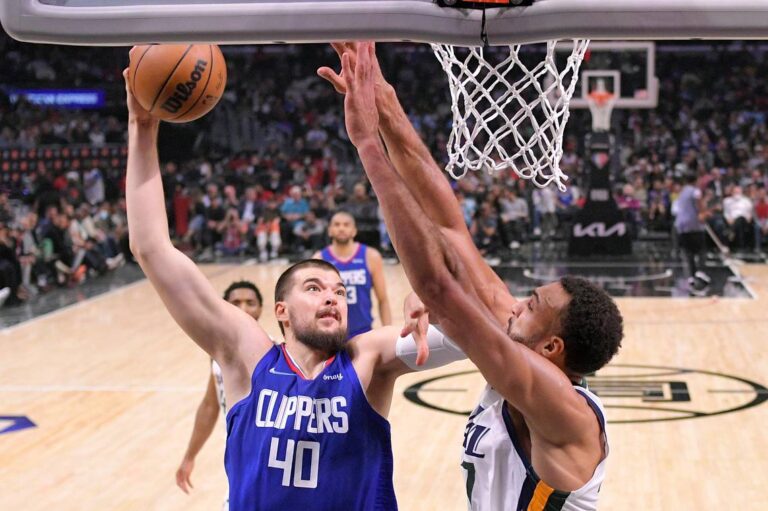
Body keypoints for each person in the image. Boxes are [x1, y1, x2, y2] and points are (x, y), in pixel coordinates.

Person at [123, 56, 463, 511]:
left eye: (339, 291)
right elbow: (151, 248)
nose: (333, 297)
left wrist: (438, 299)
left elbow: (481, 337)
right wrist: (142, 127)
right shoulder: (248, 358)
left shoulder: (367, 359)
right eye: (315, 288)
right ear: (280, 311)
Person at [322, 41, 623, 511]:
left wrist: (366, 145)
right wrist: (381, 98)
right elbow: (448, 226)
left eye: (531, 305)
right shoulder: (527, 345)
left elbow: (438, 287)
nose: (514, 303)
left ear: (551, 347)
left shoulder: (560, 407)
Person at [175, 280, 265, 509]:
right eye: (236, 303)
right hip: (239, 462)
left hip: (266, 462)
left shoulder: (274, 354)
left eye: (250, 302)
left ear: (261, 309)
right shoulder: (218, 357)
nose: (243, 308)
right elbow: (210, 406)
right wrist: (190, 455)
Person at [313, 211, 392, 337]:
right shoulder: (319, 259)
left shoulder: (371, 256)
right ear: (329, 231)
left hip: (363, 332)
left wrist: (388, 332)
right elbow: (314, 303)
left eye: (346, 225)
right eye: (337, 224)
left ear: (354, 231)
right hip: (331, 334)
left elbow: (382, 299)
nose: (341, 228)